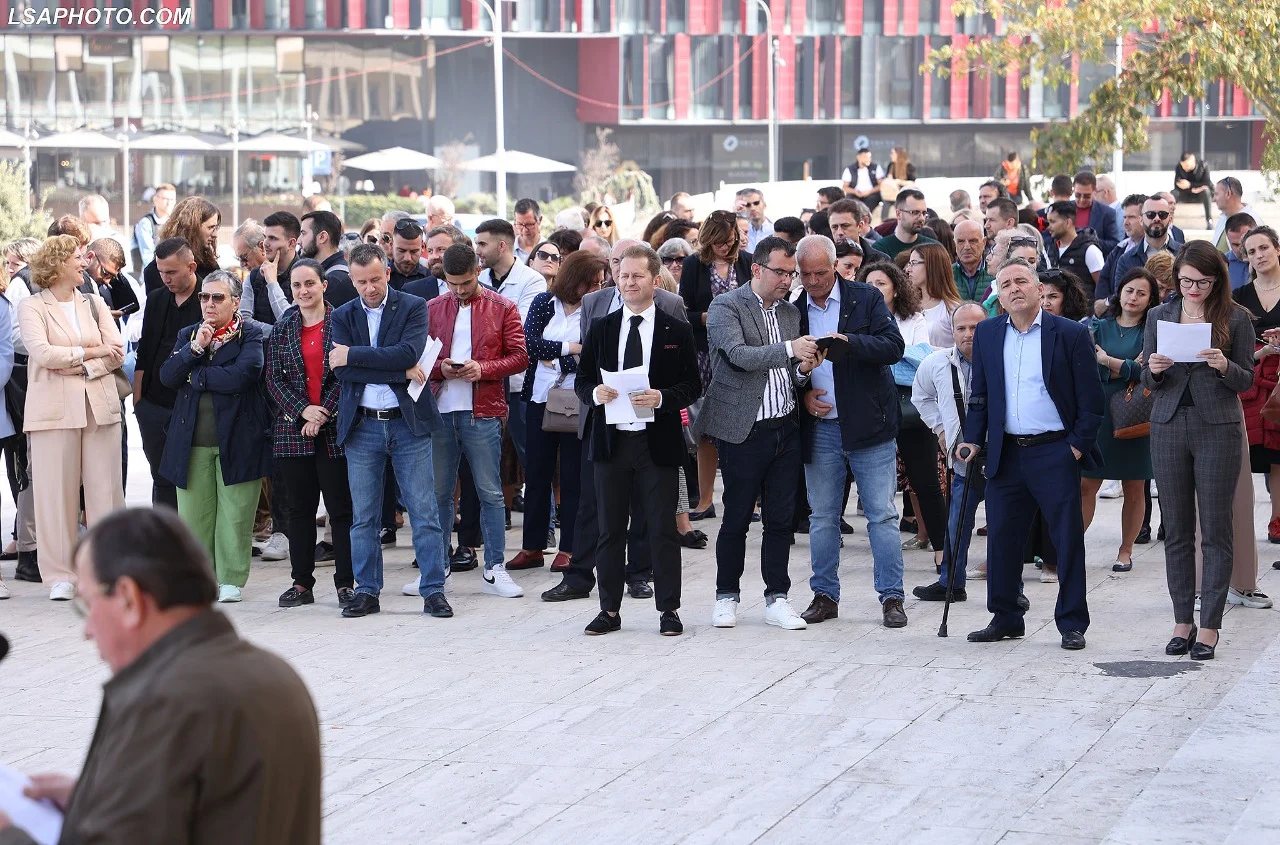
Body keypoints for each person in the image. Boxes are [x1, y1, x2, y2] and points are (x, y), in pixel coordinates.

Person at [0, 508, 320, 845]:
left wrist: (9, 835)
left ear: (129, 599)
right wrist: (93, 805)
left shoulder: (165, 699)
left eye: (88, 605)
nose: (88, 630)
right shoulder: (274, 672)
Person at [956, 259, 1103, 650]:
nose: (1014, 288)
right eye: (1005, 285)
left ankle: (1072, 623)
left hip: (1055, 450)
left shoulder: (1070, 333)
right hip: (1006, 452)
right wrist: (973, 439)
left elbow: (1092, 401)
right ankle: (1006, 617)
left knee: (1066, 540)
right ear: (999, 297)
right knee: (1002, 537)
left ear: (1039, 289)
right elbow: (980, 395)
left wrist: (1075, 447)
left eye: (1021, 281)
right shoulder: (988, 333)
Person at [574, 244, 701, 636]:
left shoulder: (676, 329)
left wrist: (662, 398)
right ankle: (609, 610)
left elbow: (692, 385)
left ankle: (669, 610)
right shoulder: (602, 327)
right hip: (611, 442)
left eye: (637, 276)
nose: (628, 282)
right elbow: (582, 380)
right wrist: (595, 394)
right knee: (610, 530)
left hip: (657, 443)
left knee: (662, 529)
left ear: (655, 280)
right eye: (623, 275)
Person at [698, 236, 820, 630]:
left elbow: (790, 374)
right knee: (736, 518)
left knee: (781, 521)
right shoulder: (726, 306)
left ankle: (777, 598)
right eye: (780, 272)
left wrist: (803, 369)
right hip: (743, 429)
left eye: (791, 274)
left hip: (785, 425)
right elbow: (738, 356)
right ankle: (726, 597)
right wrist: (790, 350)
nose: (787, 280)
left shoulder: (790, 313)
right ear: (756, 269)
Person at [1142, 241, 1254, 660]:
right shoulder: (1159, 314)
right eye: (1186, 281)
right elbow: (1147, 378)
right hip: (1168, 423)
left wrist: (1224, 365)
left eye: (1203, 282)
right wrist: (1153, 370)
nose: (1193, 289)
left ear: (1217, 280)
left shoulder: (1236, 317)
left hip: (1218, 426)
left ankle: (1209, 626)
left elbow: (1246, 379)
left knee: (1216, 528)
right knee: (1176, 528)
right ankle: (1181, 621)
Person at [329, 244, 450, 619]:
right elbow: (341, 370)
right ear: (352, 280)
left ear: (387, 273)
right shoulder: (343, 314)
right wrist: (398, 370)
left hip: (407, 423)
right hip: (362, 425)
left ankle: (433, 590)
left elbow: (408, 353)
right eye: (361, 282)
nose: (369, 288)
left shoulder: (412, 306)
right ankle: (367, 590)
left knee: (424, 512)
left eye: (375, 279)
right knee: (364, 517)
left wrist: (355, 354)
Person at [793, 237, 908, 627]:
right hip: (821, 427)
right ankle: (824, 596)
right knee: (823, 517)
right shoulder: (793, 309)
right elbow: (783, 368)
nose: (813, 281)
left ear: (836, 266)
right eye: (805, 274)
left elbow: (893, 347)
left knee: (882, 516)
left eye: (820, 273)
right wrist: (804, 392)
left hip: (869, 424)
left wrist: (850, 343)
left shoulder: (866, 298)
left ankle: (892, 598)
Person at [15, 235, 125, 601]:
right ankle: (60, 575)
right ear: (58, 263)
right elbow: (44, 354)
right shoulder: (32, 307)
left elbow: (116, 352)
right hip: (53, 413)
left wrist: (83, 366)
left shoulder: (94, 302)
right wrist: (92, 351)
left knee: (106, 493)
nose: (85, 262)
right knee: (55, 495)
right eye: (78, 257)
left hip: (100, 407)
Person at [159, 270, 271, 604]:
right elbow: (167, 376)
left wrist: (196, 377)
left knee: (235, 515)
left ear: (235, 302)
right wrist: (195, 349)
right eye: (204, 297)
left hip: (239, 440)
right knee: (194, 517)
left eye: (217, 297)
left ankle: (230, 579)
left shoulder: (250, 334)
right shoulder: (189, 335)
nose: (209, 303)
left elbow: (244, 374)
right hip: (191, 443)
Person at [424, 243, 528, 597]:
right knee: (439, 493)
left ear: (478, 272)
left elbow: (520, 357)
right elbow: (417, 359)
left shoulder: (503, 307)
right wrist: (441, 368)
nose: (458, 290)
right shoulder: (432, 308)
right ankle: (437, 569)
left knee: (491, 492)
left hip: (483, 411)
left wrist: (482, 369)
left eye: (465, 283)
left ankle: (495, 567)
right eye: (451, 283)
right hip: (440, 411)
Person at [265, 259, 355, 610]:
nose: (303, 291)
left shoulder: (343, 323)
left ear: (323, 285)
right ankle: (301, 583)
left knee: (340, 510)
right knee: (299, 511)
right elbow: (274, 380)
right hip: (293, 429)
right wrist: (304, 409)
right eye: (297, 285)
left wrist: (322, 412)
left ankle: (345, 584)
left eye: (310, 284)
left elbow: (347, 373)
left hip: (334, 430)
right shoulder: (282, 328)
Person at [508, 251, 605, 573]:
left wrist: (556, 360)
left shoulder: (597, 309)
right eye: (592, 283)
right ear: (575, 281)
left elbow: (594, 354)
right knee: (537, 474)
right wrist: (570, 349)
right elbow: (530, 345)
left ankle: (570, 548)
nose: (597, 289)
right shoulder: (543, 302)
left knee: (574, 476)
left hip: (578, 401)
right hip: (540, 399)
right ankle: (532, 546)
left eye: (600, 283)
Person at [1081, 268, 1158, 573]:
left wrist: (1107, 361)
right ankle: (1070, 547)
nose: (1133, 297)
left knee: (1134, 486)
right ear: (1119, 292)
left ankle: (1126, 551)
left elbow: (1147, 372)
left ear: (1151, 299)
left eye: (1141, 293)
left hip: (1135, 414)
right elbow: (1088, 367)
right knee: (1086, 484)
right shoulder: (1099, 326)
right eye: (1129, 290)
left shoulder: (1152, 332)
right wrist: (1126, 367)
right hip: (1099, 413)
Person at [911, 302, 989, 601]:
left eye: (975, 327)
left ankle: (1010, 588)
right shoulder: (937, 362)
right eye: (961, 328)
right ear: (952, 331)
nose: (968, 334)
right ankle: (951, 583)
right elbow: (921, 395)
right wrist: (942, 430)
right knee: (956, 525)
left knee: (1004, 526)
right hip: (962, 461)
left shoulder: (1002, 359)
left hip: (1000, 457)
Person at [133, 237, 202, 511]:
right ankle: (163, 534)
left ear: (191, 267)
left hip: (193, 403)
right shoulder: (157, 298)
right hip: (154, 405)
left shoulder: (208, 297)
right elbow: (145, 350)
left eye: (171, 272)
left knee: (193, 480)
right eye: (161, 272)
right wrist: (139, 403)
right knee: (161, 479)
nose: (165, 278)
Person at [1236, 225, 1280, 543]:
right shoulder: (1238, 297)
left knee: (1279, 459)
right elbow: (1231, 342)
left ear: (1277, 248)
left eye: (1264, 248)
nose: (1259, 255)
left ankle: (1278, 522)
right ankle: (1241, 528)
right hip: (1251, 381)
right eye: (1252, 251)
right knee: (1248, 456)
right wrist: (1260, 351)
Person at [143, 196, 220, 293]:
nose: (215, 235)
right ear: (192, 228)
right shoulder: (154, 271)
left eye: (215, 228)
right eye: (210, 228)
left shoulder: (209, 266)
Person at [1110, 195, 1184, 293]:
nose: (1157, 219)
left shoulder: (1184, 255)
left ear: (1170, 219)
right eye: (1150, 214)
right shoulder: (1126, 260)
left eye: (1162, 214)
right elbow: (1121, 296)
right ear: (1141, 220)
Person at [240, 210, 298, 325]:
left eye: (273, 238)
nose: (265, 243)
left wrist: (272, 283)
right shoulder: (254, 276)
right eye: (265, 237)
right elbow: (244, 320)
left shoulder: (306, 275)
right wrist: (274, 333)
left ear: (291, 243)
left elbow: (291, 323)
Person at [1095, 194, 1151, 310]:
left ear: (1145, 218)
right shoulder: (1120, 248)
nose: (1125, 222)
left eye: (1131, 217)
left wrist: (1108, 303)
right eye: (1125, 217)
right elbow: (1103, 280)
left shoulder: (1155, 251)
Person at [1044, 200, 1104, 298]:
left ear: (1068, 222)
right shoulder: (1049, 248)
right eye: (1048, 222)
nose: (1048, 227)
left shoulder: (1090, 250)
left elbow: (1102, 285)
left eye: (1053, 222)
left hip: (1084, 306)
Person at [906, 242, 961, 347]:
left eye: (913, 263)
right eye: (909, 263)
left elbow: (960, 350)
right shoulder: (908, 306)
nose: (908, 269)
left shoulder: (952, 309)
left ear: (931, 265)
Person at [299, 210, 357, 307]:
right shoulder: (333, 272)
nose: (298, 240)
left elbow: (297, 315)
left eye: (303, 233)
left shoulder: (334, 280)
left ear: (322, 237)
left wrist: (273, 283)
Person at [874, 190, 936, 260]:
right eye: (915, 212)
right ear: (898, 214)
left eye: (924, 213)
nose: (921, 218)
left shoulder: (933, 248)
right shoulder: (880, 249)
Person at [1071, 171, 1122, 255]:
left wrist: (1090, 240)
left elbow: (1114, 245)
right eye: (1078, 195)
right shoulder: (1063, 209)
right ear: (1073, 191)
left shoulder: (1106, 213)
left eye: (1087, 196)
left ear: (1094, 191)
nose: (1082, 200)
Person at [827, 199, 891, 264]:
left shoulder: (881, 260)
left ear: (860, 226)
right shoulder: (825, 259)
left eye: (845, 226)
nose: (839, 232)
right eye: (834, 227)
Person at [130, 182, 175, 270]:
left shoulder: (175, 222)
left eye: (172, 199)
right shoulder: (146, 223)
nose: (169, 203)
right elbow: (148, 258)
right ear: (155, 200)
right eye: (165, 199)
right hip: (150, 274)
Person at [1211, 177, 1261, 252]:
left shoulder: (1252, 220)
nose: (1214, 199)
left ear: (1228, 194)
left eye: (1216, 194)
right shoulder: (1223, 218)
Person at [952, 219, 992, 302]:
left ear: (984, 243)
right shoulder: (946, 275)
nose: (967, 247)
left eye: (973, 241)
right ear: (955, 244)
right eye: (960, 241)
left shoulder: (996, 273)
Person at [1173, 151, 1214, 227]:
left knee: (1206, 191)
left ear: (1193, 160)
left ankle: (1209, 220)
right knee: (1173, 193)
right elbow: (1177, 185)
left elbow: (1207, 183)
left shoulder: (1203, 165)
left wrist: (1190, 185)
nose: (1184, 168)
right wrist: (1191, 190)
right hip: (1186, 194)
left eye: (1187, 165)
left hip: (1200, 195)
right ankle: (1168, 220)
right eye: (1183, 166)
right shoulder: (1179, 167)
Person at [877, 146, 917, 221]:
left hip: (903, 192)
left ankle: (902, 221)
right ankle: (884, 221)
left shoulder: (908, 166)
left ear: (899, 154)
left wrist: (898, 181)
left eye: (893, 153)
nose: (891, 155)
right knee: (886, 202)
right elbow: (888, 178)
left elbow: (912, 182)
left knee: (899, 203)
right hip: (891, 193)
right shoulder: (891, 165)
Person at [841, 146, 884, 213]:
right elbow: (845, 187)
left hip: (871, 194)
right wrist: (855, 192)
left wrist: (869, 192)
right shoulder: (850, 169)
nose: (868, 159)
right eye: (865, 157)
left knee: (871, 201)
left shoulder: (876, 167)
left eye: (869, 157)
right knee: (851, 203)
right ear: (858, 157)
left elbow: (881, 185)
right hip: (855, 195)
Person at [1225, 213, 1257, 290]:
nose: (1241, 249)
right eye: (1236, 245)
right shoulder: (1222, 264)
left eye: (1245, 243)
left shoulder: (1273, 261)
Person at [513, 198, 542, 263]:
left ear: (539, 220)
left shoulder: (549, 249)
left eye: (529, 224)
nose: (525, 230)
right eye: (520, 224)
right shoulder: (508, 250)